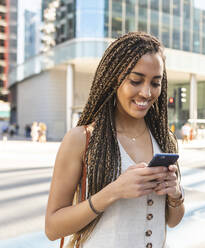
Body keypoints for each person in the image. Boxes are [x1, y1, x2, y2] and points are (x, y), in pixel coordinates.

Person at [45, 32, 185, 248]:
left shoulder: (164, 139)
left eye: (155, 83)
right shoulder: (81, 139)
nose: (146, 93)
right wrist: (114, 191)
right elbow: (53, 228)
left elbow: (173, 221)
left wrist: (175, 193)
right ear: (114, 78)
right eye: (136, 81)